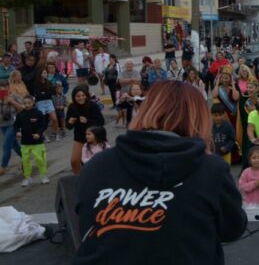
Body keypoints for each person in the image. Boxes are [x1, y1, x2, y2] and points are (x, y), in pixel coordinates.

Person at [74, 81, 247, 264]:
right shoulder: (212, 169)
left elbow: (84, 224)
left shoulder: (96, 166)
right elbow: (232, 228)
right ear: (198, 118)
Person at [66, 85, 105, 174]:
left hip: (93, 138)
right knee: (74, 161)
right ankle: (78, 180)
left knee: (92, 162)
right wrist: (70, 122)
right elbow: (68, 126)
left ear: (86, 95)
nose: (81, 98)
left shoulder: (93, 105)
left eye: (83, 95)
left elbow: (101, 122)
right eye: (78, 96)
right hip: (79, 137)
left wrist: (88, 121)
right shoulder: (72, 107)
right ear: (74, 97)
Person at [15, 95, 49, 186]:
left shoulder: (38, 113)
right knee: (25, 160)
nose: (27, 105)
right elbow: (16, 126)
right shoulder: (20, 115)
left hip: (37, 142)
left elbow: (43, 125)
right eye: (25, 103)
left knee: (40, 159)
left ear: (33, 103)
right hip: (25, 142)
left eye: (29, 103)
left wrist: (39, 134)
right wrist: (18, 132)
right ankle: (27, 178)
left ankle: (43, 176)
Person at [0, 88, 21, 176]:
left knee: (6, 145)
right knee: (14, 145)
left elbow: (22, 108)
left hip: (13, 124)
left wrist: (12, 102)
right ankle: (25, 157)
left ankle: (3, 167)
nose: (3, 92)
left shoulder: (14, 96)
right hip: (2, 125)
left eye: (4, 90)